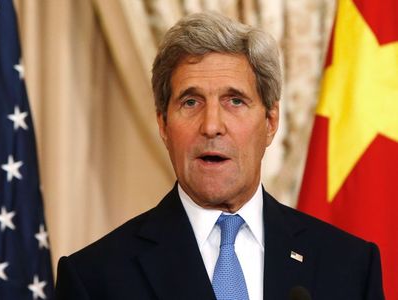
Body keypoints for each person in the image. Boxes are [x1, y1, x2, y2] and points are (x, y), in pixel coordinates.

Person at [54, 12, 384, 300]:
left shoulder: (349, 265)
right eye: (191, 102)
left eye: (235, 101)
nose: (211, 126)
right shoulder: (96, 278)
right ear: (164, 125)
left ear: (270, 122)